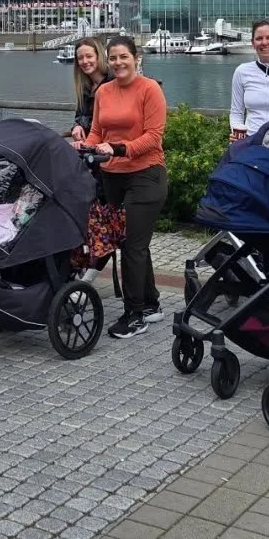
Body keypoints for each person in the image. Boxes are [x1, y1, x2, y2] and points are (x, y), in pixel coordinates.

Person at [75, 35, 167, 339]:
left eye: (123, 57)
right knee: (133, 243)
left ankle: (134, 314)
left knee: (131, 245)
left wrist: (119, 148)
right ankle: (152, 304)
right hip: (112, 175)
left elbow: (153, 137)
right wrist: (85, 149)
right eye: (113, 58)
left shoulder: (150, 88)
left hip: (146, 173)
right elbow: (97, 130)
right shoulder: (104, 91)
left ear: (136, 57)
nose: (117, 63)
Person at [68, 37, 108, 142]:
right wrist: (77, 125)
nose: (85, 61)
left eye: (89, 56)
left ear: (99, 56)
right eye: (80, 58)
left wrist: (82, 124)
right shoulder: (84, 87)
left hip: (107, 144)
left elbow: (103, 120)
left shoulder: (112, 83)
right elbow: (80, 115)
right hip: (89, 142)